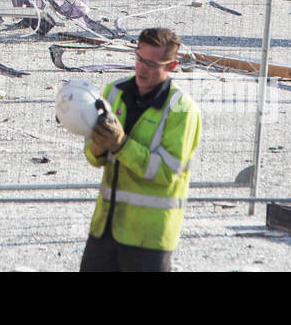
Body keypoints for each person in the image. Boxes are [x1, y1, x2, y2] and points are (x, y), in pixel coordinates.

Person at [80, 27, 202, 272]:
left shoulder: (182, 110)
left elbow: (167, 173)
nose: (142, 68)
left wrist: (121, 145)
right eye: (139, 59)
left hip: (148, 237)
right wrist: (97, 147)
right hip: (106, 228)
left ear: (172, 66)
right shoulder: (114, 91)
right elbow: (95, 157)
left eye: (152, 63)